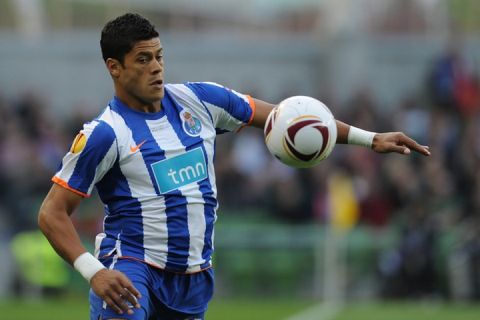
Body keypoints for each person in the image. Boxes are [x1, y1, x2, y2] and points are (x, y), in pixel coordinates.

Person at [37, 13, 430, 320]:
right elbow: (52, 213)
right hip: (132, 273)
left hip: (193, 277)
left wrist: (369, 138)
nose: (156, 67)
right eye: (143, 59)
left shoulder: (201, 101)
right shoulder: (106, 134)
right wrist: (94, 271)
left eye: (159, 56)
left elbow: (289, 118)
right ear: (114, 68)